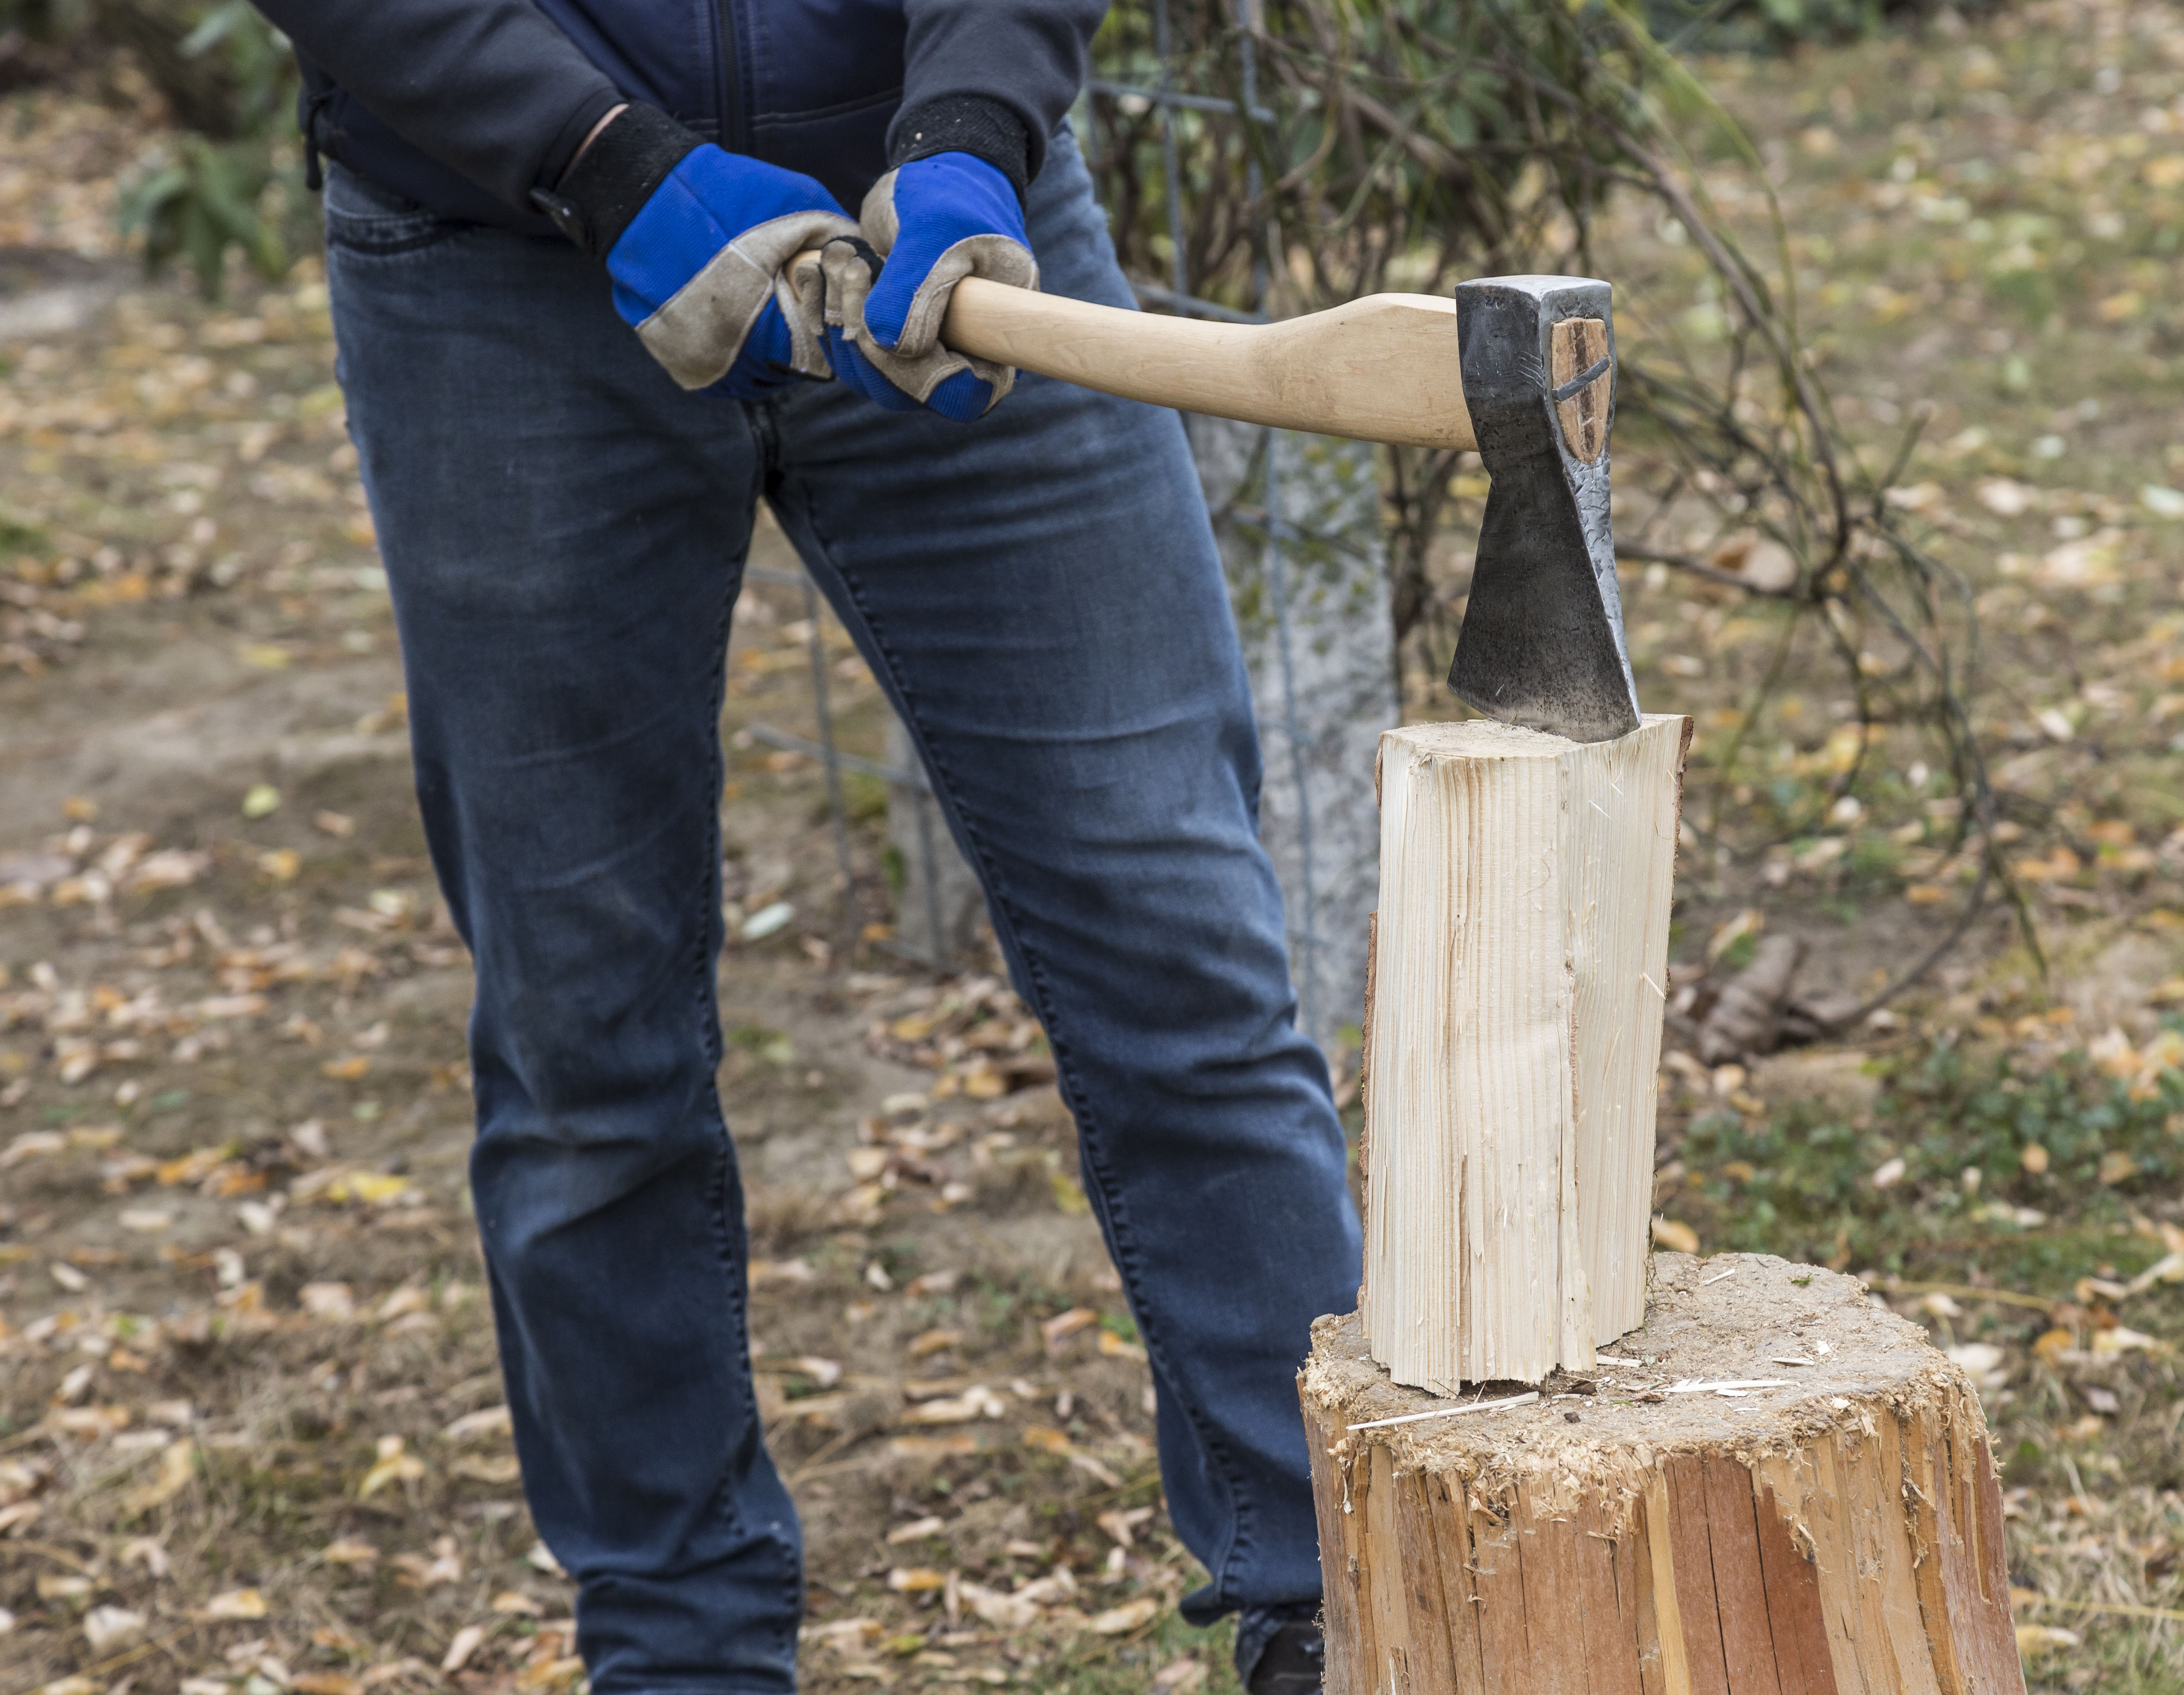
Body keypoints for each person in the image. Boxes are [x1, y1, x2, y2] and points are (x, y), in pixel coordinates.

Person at [243, 4, 1361, 1691]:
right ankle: (681, 1654)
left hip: (957, 253)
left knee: (1184, 966)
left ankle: (1339, 1608)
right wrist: (597, 158)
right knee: (585, 1049)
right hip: (495, 265)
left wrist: (973, 127)